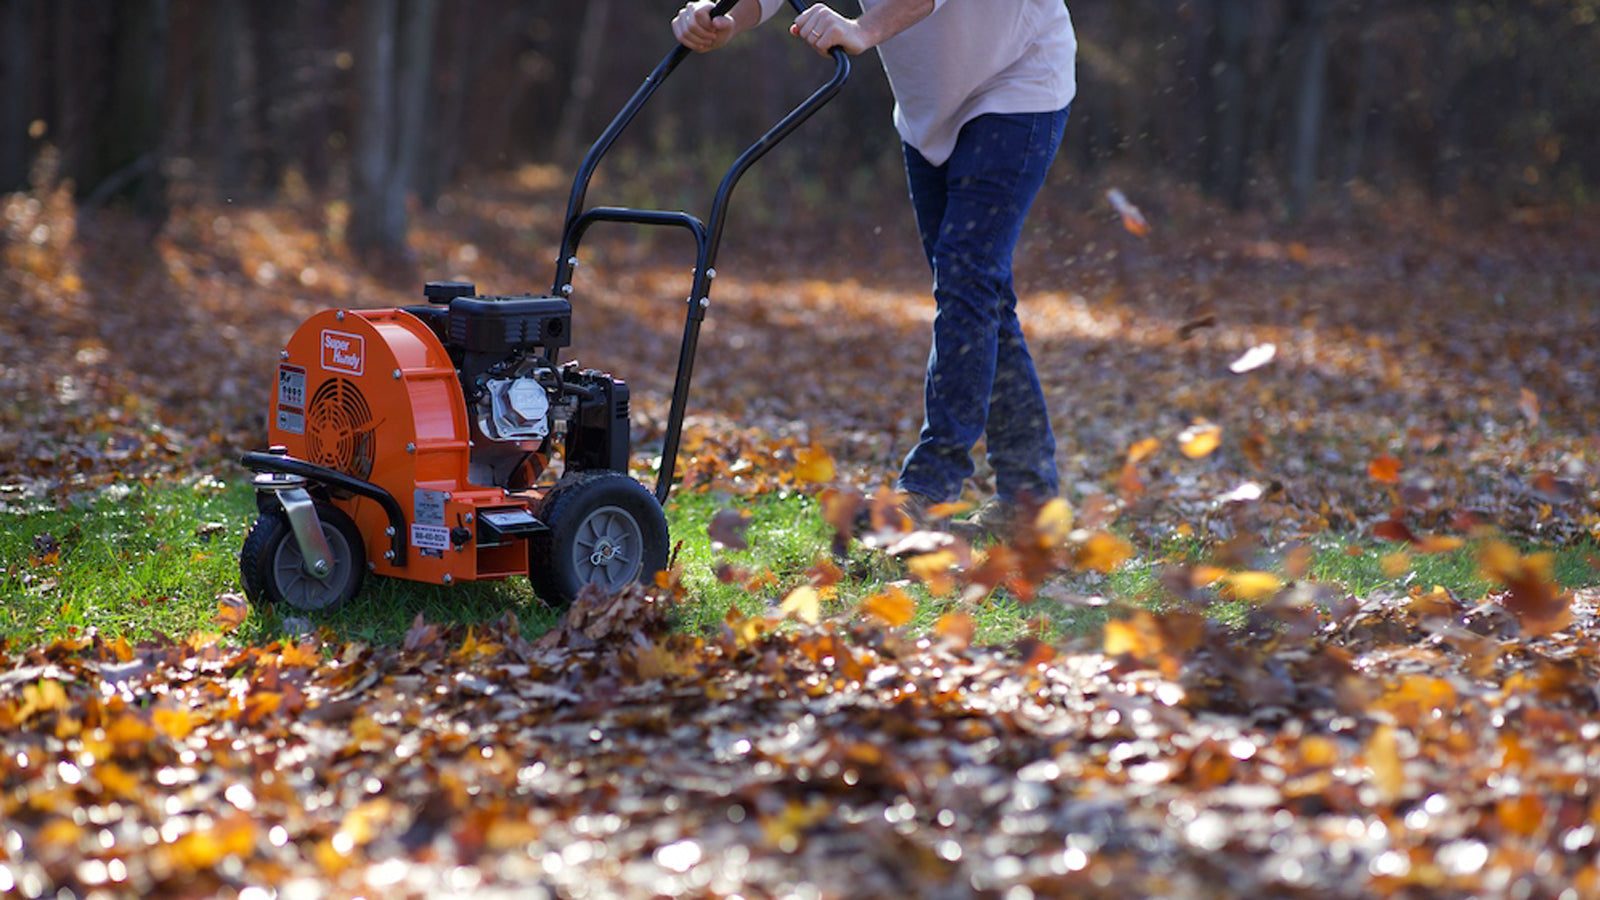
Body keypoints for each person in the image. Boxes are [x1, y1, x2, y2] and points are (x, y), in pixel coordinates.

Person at [674, 0, 1076, 538]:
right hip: (929, 111)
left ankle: (931, 487)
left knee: (967, 280)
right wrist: (720, 16)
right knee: (979, 295)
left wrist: (863, 29)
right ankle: (1030, 502)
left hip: (1020, 81)